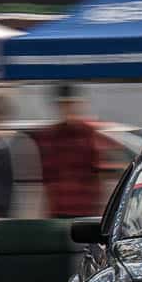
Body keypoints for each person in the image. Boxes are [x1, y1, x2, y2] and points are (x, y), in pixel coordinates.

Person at [34, 83, 101, 219]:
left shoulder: (88, 134)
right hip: (58, 209)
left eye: (71, 104)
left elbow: (95, 174)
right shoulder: (49, 136)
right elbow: (46, 176)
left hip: (84, 210)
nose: (68, 110)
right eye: (64, 105)